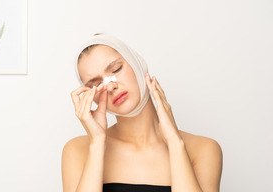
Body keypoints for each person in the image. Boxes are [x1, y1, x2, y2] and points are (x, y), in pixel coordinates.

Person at [62, 33, 223, 192]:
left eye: (116, 69)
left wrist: (174, 141)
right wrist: (97, 143)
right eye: (96, 84)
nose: (110, 86)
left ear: (136, 62)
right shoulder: (79, 150)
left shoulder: (202, 149)